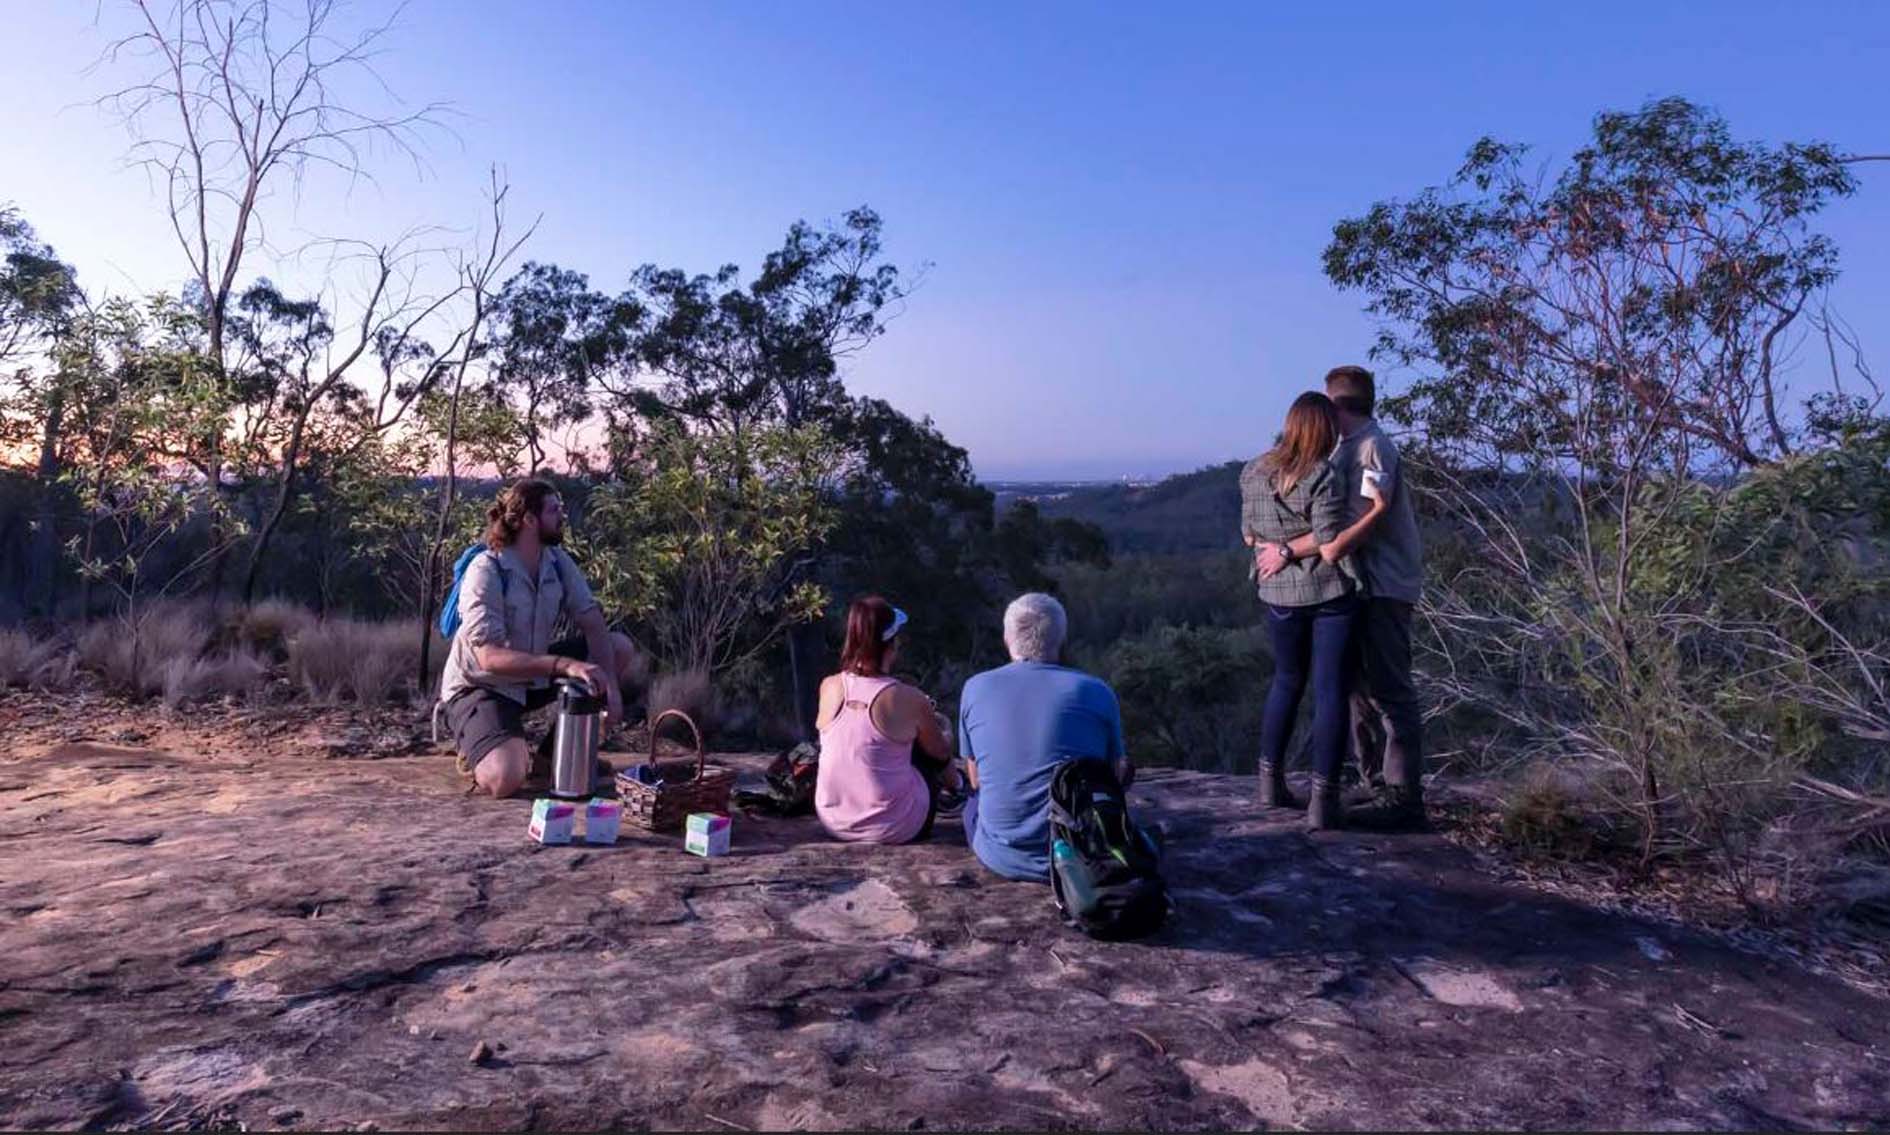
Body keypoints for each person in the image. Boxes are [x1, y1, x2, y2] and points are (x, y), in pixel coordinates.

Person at [1258, 366, 1426, 830]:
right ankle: (1374, 785)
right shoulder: (1346, 449)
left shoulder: (1373, 448)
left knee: (1390, 690)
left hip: (1384, 582)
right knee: (1357, 691)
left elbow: (1340, 535)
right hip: (1359, 585)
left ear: (1334, 406)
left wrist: (1287, 548)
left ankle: (1403, 796)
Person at [440, 478, 642, 799]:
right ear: (529, 520)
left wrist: (612, 690)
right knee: (506, 778)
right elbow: (488, 658)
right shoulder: (487, 570)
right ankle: (480, 747)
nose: (562, 515)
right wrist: (564, 665)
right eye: (553, 510)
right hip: (482, 684)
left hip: (530, 678)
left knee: (618, 647)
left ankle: (552, 758)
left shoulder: (557, 562)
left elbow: (593, 623)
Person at [1240, 391, 1378, 829]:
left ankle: (1270, 783)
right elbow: (1329, 539)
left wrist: (1274, 550)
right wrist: (1287, 548)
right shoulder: (1324, 473)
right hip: (1327, 595)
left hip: (1276, 594)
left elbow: (1247, 535)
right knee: (1330, 691)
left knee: (1285, 681)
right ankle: (1323, 802)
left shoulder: (1253, 471)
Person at [958, 593, 1132, 882]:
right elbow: (1114, 773)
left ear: (1007, 638)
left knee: (973, 802)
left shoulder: (975, 688)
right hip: (1080, 852)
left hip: (1001, 857)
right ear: (1060, 641)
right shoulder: (1095, 690)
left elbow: (976, 780)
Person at [814, 595, 960, 844]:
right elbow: (939, 752)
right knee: (924, 747)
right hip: (896, 826)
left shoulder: (829, 686)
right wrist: (944, 730)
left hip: (833, 820)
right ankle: (958, 790)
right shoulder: (909, 698)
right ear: (891, 644)